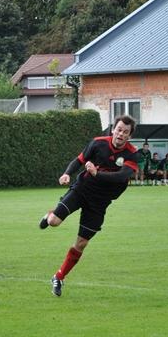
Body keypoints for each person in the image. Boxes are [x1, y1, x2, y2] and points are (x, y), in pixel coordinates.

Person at [38, 115, 138, 296]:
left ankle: (59, 277)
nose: (121, 134)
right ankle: (49, 215)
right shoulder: (98, 143)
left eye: (125, 132)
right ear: (113, 129)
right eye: (119, 129)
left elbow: (121, 176)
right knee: (53, 222)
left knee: (82, 243)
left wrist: (97, 173)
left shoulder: (132, 154)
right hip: (81, 190)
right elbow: (79, 160)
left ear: (129, 136)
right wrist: (67, 173)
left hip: (100, 202)